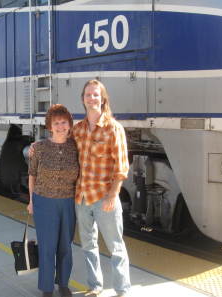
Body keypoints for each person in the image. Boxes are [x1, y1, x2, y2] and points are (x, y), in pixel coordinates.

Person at [73, 79, 131, 297]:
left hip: (104, 198)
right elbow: (63, 149)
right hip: (82, 198)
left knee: (116, 247)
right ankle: (95, 286)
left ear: (103, 98)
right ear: (83, 99)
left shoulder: (113, 128)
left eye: (95, 94)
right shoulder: (77, 130)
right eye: (88, 95)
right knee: (88, 245)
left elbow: (121, 166)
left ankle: (122, 290)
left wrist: (112, 196)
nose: (91, 98)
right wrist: (37, 148)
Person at [27, 104, 79, 297]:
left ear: (69, 125)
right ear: (50, 126)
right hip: (44, 202)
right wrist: (31, 201)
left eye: (64, 122)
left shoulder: (75, 147)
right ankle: (47, 288)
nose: (60, 126)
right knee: (47, 246)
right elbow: (32, 175)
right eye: (56, 123)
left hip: (68, 202)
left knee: (65, 245)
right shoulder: (39, 148)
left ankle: (63, 284)